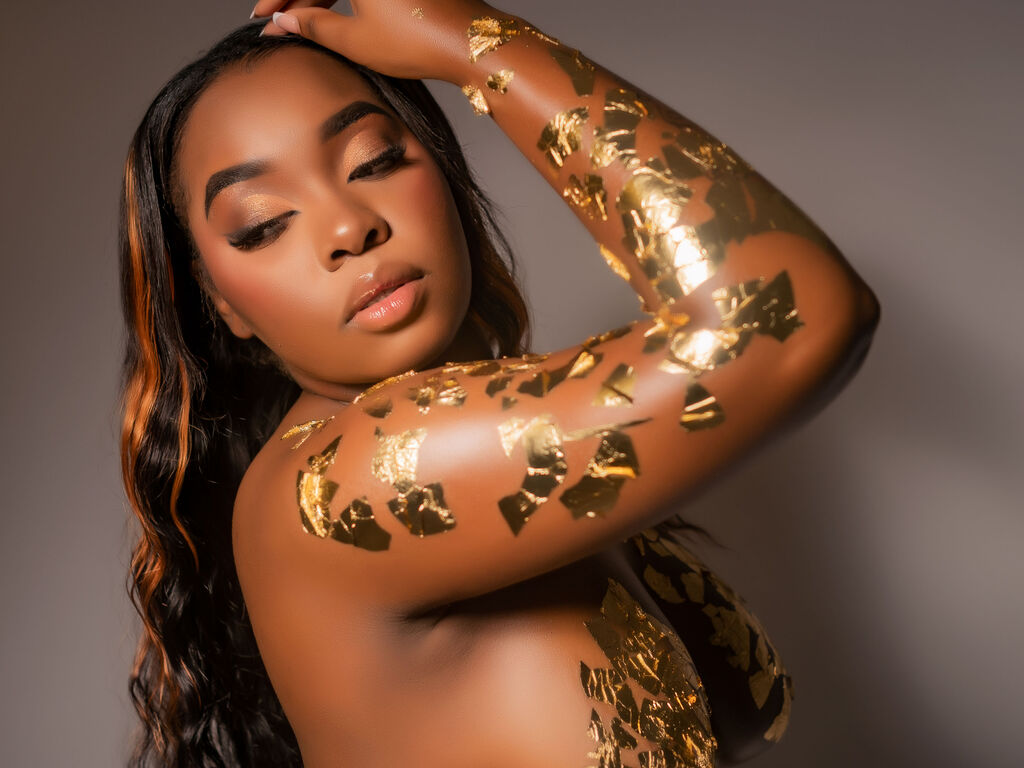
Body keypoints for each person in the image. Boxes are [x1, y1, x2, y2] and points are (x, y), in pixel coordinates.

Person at [118, 1, 880, 766]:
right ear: (221, 302)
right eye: (263, 224)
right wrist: (468, 37)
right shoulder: (348, 482)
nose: (349, 227)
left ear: (442, 168)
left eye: (373, 161)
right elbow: (794, 314)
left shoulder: (493, 462)